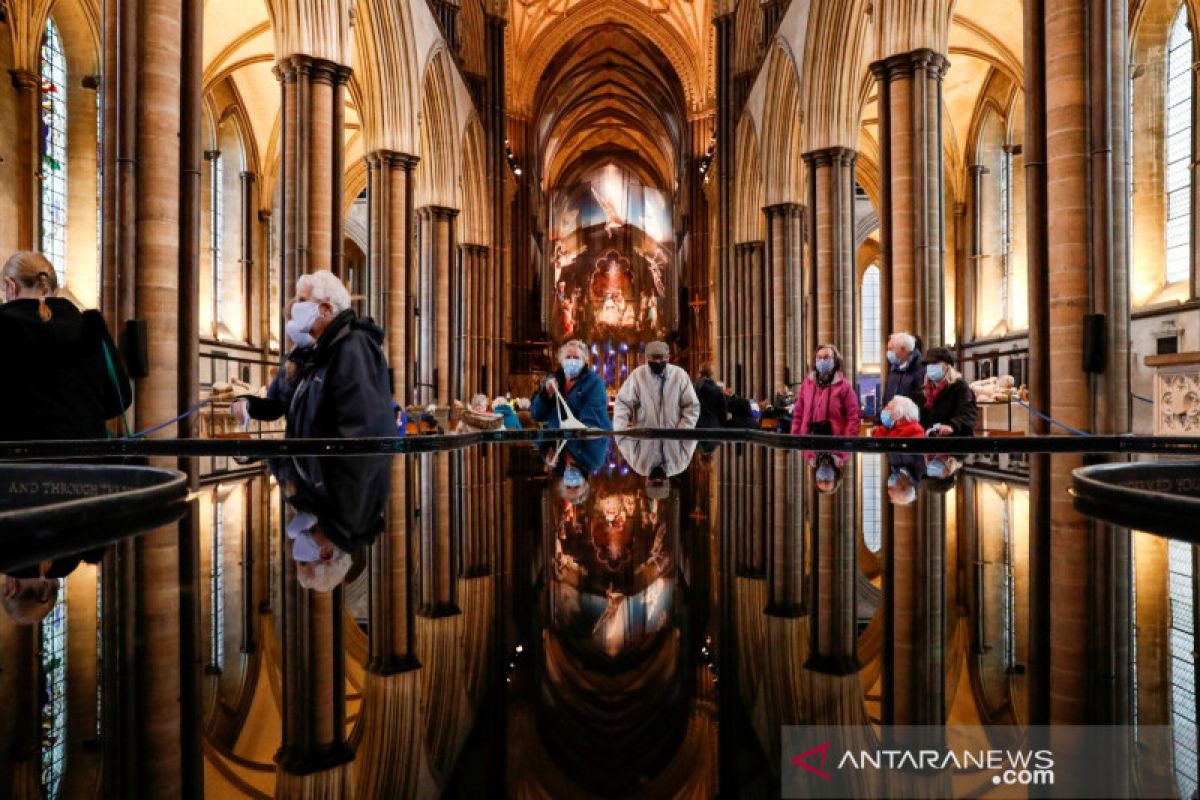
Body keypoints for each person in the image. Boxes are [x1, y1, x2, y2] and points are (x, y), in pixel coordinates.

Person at [0, 251, 132, 440]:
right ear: (55, 288)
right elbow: (120, 399)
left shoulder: (5, 326)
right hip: (87, 461)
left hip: (18, 463)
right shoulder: (91, 326)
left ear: (11, 287)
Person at [284, 270, 395, 439]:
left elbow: (362, 430)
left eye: (302, 301)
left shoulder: (354, 346)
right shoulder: (326, 349)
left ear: (326, 308)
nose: (295, 310)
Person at [232, 274, 317, 426]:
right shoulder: (291, 362)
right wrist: (247, 403)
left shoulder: (329, 354)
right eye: (291, 320)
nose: (294, 326)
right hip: (297, 443)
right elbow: (274, 406)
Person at [613, 341, 700, 430]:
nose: (658, 361)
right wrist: (622, 434)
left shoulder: (679, 376)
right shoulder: (637, 376)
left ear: (667, 357)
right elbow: (622, 403)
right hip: (645, 440)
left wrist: (683, 432)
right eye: (654, 358)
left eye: (661, 357)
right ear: (647, 358)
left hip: (673, 440)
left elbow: (691, 406)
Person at [531, 339, 612, 430]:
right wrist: (546, 395)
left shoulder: (594, 384)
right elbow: (536, 414)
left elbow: (592, 423)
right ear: (561, 360)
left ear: (585, 360)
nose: (572, 361)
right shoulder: (552, 380)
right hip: (555, 441)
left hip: (580, 441)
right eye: (568, 357)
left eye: (576, 357)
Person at [790, 344, 861, 436]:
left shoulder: (844, 386)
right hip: (808, 443)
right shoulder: (807, 384)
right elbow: (798, 413)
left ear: (835, 361)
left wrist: (846, 443)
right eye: (819, 358)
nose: (822, 360)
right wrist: (795, 437)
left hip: (835, 445)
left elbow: (853, 416)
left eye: (826, 358)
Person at [919, 347, 978, 437]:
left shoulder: (960, 387)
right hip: (931, 442)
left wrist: (952, 426)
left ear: (947, 365)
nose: (931, 367)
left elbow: (968, 414)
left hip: (956, 441)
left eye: (935, 363)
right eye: (928, 364)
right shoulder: (923, 390)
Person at [881, 331, 926, 409]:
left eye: (891, 349)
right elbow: (887, 397)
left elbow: (922, 402)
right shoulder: (894, 368)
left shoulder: (921, 369)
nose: (888, 352)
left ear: (903, 349)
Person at [694, 363, 727, 429]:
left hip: (697, 424)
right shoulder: (717, 390)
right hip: (713, 424)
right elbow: (722, 411)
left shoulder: (694, 388)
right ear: (712, 374)